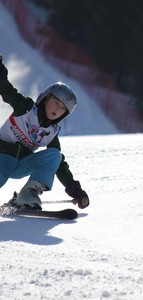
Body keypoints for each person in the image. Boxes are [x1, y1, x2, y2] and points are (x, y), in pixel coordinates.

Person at [0, 54, 89, 210]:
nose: (57, 110)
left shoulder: (52, 132)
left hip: (21, 164)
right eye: (55, 103)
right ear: (45, 99)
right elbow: (6, 91)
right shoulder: (26, 108)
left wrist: (74, 188)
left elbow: (59, 165)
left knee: (55, 155)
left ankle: (28, 194)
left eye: (62, 109)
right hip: (2, 157)